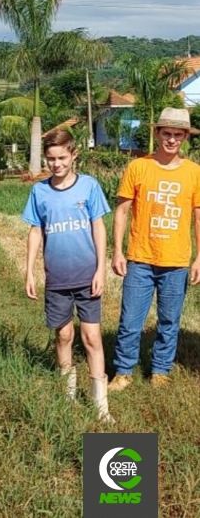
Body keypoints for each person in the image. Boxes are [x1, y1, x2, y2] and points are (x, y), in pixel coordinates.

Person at [23, 128, 113, 423]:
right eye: (51, 159)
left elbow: (99, 227)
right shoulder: (39, 191)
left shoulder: (89, 186)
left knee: (92, 338)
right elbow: (36, 231)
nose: (57, 164)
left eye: (62, 157)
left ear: (74, 155)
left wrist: (100, 268)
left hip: (88, 277)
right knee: (63, 335)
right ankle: (68, 397)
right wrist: (29, 271)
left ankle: (101, 407)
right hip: (57, 279)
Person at [109, 108, 200, 391]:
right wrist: (117, 251)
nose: (171, 140)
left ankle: (160, 370)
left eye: (177, 135)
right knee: (130, 321)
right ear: (157, 133)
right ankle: (123, 372)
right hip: (140, 258)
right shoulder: (138, 167)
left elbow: (198, 217)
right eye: (167, 133)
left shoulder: (194, 172)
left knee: (169, 321)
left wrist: (199, 257)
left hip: (176, 260)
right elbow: (122, 212)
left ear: (185, 137)